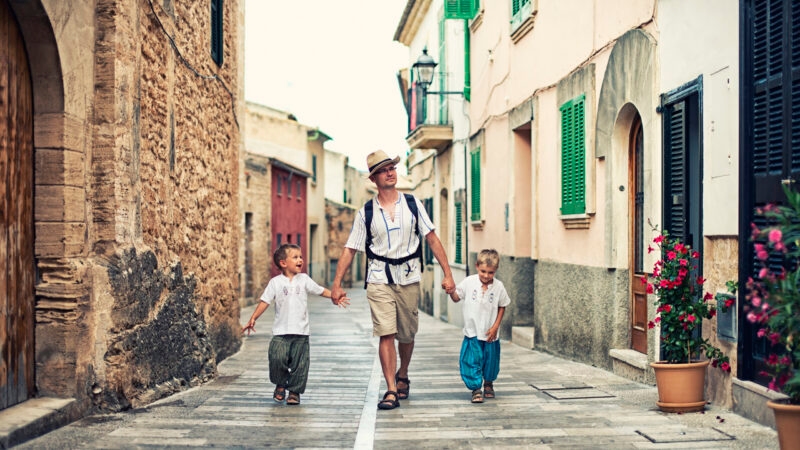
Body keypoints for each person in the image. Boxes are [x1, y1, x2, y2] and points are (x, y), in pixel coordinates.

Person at [331, 150, 456, 410]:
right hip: (378, 277)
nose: (390, 172)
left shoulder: (412, 204)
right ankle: (390, 389)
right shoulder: (365, 212)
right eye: (383, 169)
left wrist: (448, 272)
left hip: (409, 276)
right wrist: (336, 283)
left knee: (407, 334)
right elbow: (350, 248)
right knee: (385, 332)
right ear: (374, 179)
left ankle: (403, 372)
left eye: (392, 168)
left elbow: (431, 237)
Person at [242, 243, 349, 406]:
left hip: (301, 332)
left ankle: (294, 392)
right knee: (276, 359)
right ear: (283, 263)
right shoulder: (275, 282)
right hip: (280, 332)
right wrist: (253, 317)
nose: (300, 260)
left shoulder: (304, 279)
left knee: (300, 364)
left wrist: (334, 297)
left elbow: (320, 290)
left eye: (301, 257)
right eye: (295, 257)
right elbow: (265, 301)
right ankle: (280, 384)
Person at [449, 249, 510, 404]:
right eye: (483, 271)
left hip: (490, 333)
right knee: (472, 360)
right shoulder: (469, 282)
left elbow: (503, 305)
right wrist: (450, 291)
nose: (486, 276)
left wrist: (496, 326)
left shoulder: (499, 286)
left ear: (495, 271)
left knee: (490, 361)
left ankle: (488, 383)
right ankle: (476, 388)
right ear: (477, 266)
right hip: (473, 332)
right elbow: (457, 297)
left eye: (491, 272)